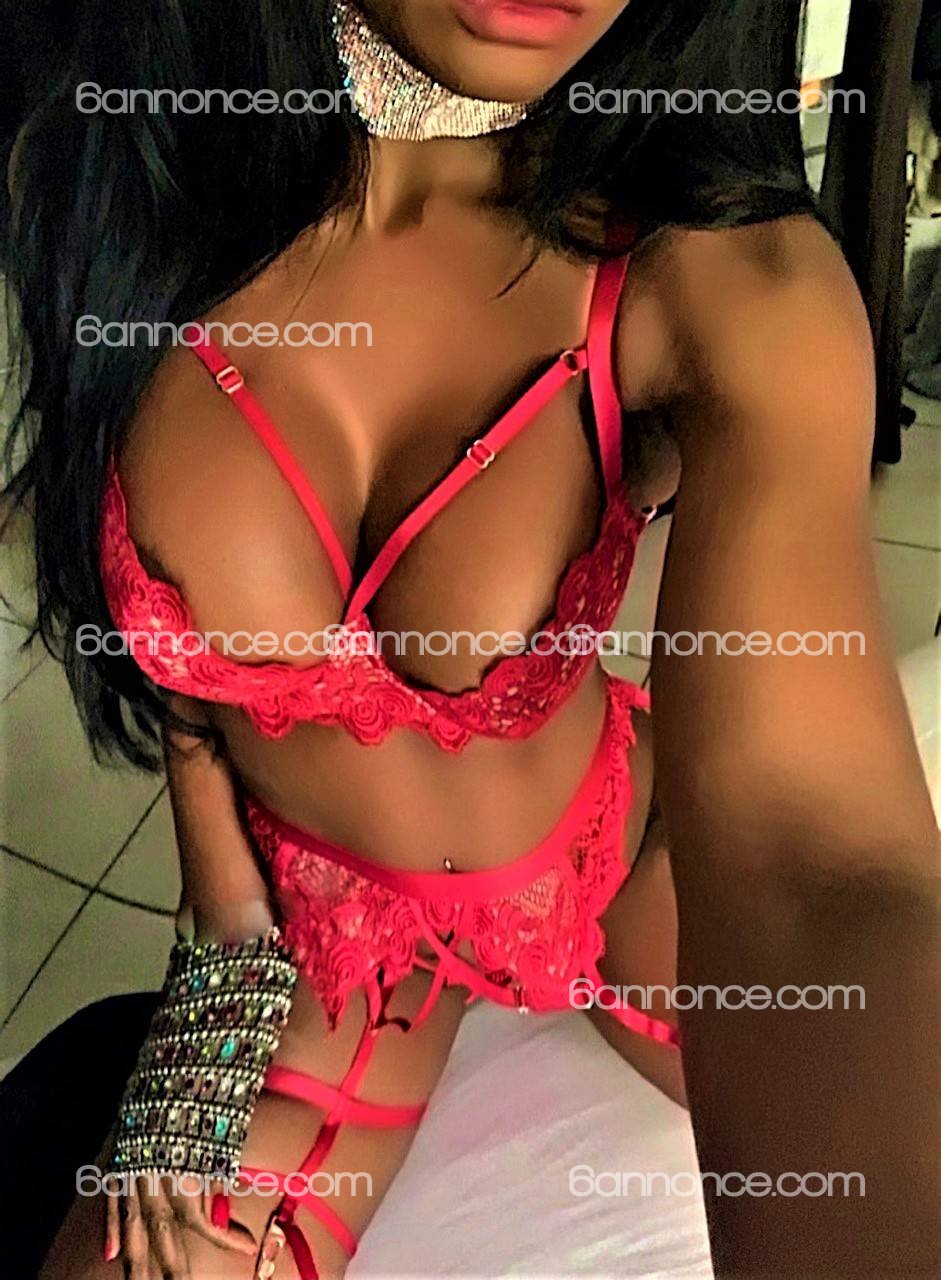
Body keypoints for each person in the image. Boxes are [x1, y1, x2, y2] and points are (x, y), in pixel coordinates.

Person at [3, 2, 937, 1276]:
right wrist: (218, 930)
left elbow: (811, 864)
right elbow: (175, 676)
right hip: (330, 938)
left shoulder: (714, 281)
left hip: (616, 856)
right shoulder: (120, 173)